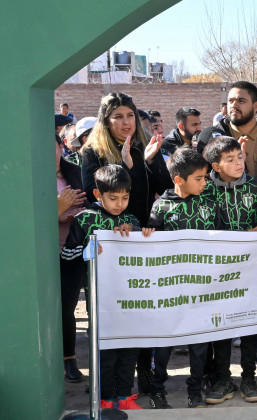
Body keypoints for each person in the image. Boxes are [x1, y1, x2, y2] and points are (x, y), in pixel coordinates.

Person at [62, 164, 155, 409]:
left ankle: (125, 397)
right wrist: (87, 251)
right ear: (97, 195)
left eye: (125, 197)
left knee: (129, 349)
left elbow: (147, 252)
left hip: (131, 298)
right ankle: (104, 398)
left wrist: (140, 232)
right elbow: (67, 255)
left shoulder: (131, 219)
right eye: (113, 198)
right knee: (104, 351)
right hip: (99, 301)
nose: (119, 204)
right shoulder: (85, 219)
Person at [147, 148, 223, 409]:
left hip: (203, 289)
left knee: (200, 344)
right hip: (170, 291)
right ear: (179, 179)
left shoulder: (210, 203)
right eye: (200, 178)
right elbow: (151, 246)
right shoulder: (162, 206)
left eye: (206, 178)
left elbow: (226, 239)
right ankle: (157, 391)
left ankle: (195, 391)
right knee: (165, 343)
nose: (205, 182)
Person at [200, 136, 257, 406]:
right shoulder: (206, 191)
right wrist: (245, 233)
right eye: (229, 159)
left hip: (253, 271)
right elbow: (207, 231)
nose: (238, 162)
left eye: (240, 157)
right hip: (218, 274)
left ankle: (249, 378)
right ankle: (222, 378)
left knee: (251, 323)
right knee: (221, 325)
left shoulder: (256, 188)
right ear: (215, 166)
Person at [80, 92, 172, 227]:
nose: (126, 122)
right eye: (118, 117)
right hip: (111, 230)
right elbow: (92, 194)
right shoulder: (93, 151)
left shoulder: (147, 145)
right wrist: (124, 168)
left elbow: (166, 190)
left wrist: (151, 162)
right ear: (106, 122)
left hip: (145, 231)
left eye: (130, 115)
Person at [197, 81, 257, 190]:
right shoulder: (212, 137)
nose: (234, 105)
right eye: (230, 101)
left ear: (256, 106)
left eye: (241, 101)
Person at [55, 134, 88, 384]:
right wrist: (57, 209)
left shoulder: (75, 172)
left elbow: (92, 204)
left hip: (73, 249)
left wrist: (77, 213)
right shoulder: (30, 176)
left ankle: (70, 360)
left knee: (67, 307)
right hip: (42, 252)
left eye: (52, 148)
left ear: (61, 147)